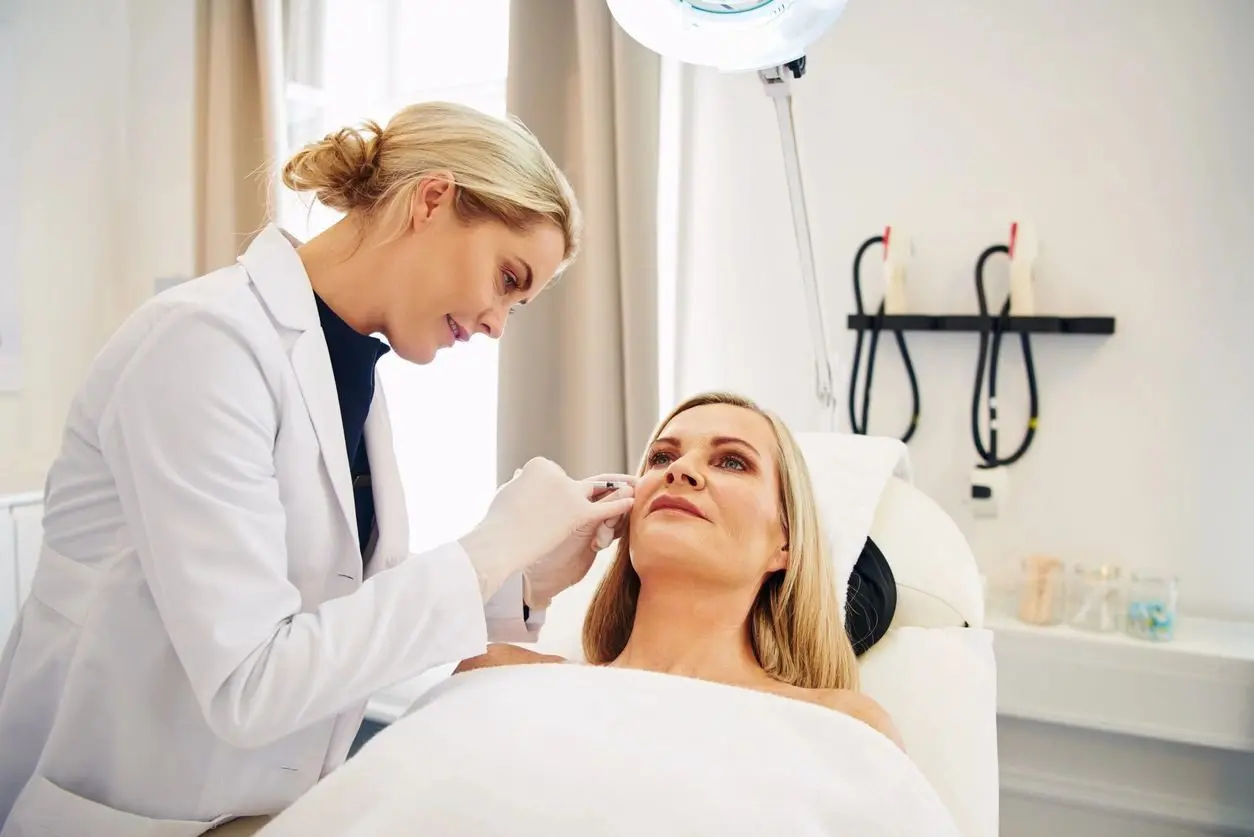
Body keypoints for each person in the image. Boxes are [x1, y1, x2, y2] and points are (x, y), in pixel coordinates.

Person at [0, 101, 636, 836]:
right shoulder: (205, 343)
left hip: (248, 810)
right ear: (432, 200)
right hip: (115, 813)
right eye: (507, 277)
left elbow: (336, 621)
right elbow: (251, 683)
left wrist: (525, 578)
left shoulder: (353, 378)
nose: (497, 321)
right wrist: (489, 545)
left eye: (517, 305)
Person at [458, 391, 903, 747]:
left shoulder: (842, 725)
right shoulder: (495, 672)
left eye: (732, 461)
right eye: (661, 458)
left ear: (784, 543)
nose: (681, 470)